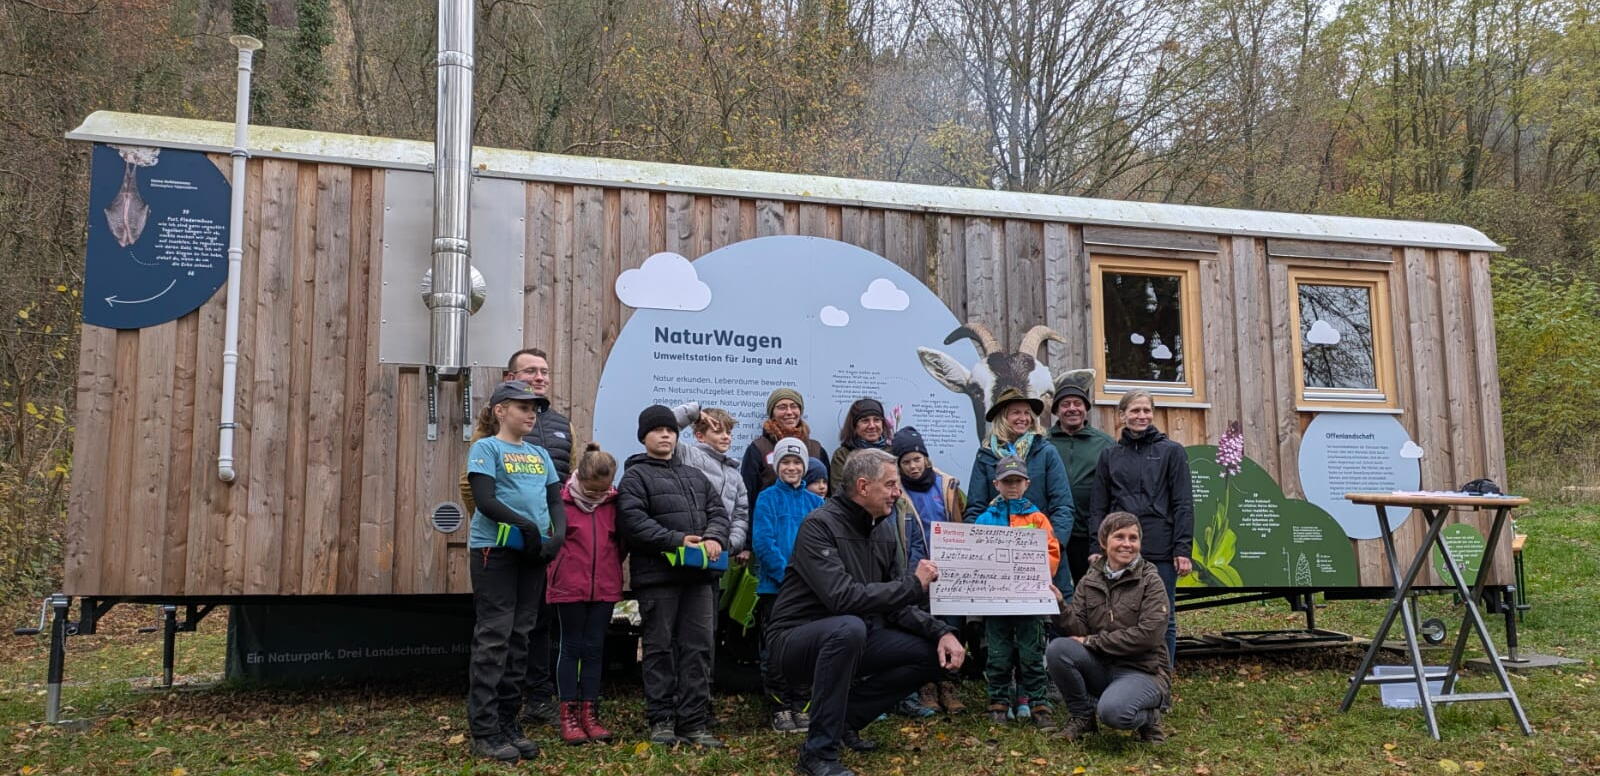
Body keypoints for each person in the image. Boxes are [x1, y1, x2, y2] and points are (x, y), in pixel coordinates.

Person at [766, 448, 967, 776]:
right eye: (890, 484)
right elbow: (841, 598)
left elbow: (895, 604)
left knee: (931, 654)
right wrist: (914, 585)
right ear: (862, 486)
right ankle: (817, 755)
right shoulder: (819, 525)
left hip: (853, 635)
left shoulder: (885, 528)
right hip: (794, 643)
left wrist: (941, 632)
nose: (897, 493)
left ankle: (844, 720)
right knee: (848, 627)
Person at [617, 405, 732, 748]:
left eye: (670, 430)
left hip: (699, 579)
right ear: (644, 437)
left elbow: (719, 514)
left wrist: (714, 537)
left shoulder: (695, 476)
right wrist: (676, 540)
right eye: (657, 430)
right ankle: (662, 720)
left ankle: (694, 721)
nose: (666, 434)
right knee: (660, 649)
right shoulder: (635, 477)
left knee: (698, 649)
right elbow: (633, 522)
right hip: (659, 579)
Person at [463, 381, 565, 762]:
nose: (531, 413)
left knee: (521, 637)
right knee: (495, 637)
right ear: (501, 410)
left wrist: (557, 538)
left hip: (533, 554)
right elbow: (485, 500)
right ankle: (485, 730)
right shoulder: (485, 448)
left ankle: (509, 723)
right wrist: (525, 526)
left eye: (535, 408)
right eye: (523, 406)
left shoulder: (540, 454)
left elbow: (556, 502)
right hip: (496, 553)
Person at [1088, 389, 1193, 670]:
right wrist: (1096, 547)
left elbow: (1183, 503)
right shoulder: (1109, 455)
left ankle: (1162, 680)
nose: (1141, 416)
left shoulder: (1171, 451)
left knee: (1163, 617)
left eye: (1146, 410)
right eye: (1134, 411)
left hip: (1160, 545)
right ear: (1122, 415)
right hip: (1119, 548)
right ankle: (1123, 674)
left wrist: (1182, 549)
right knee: (1118, 614)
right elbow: (1099, 506)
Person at [1046, 512, 1171, 744]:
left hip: (1142, 670)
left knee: (1113, 714)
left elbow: (1149, 636)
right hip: (1102, 666)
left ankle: (1149, 717)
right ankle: (1082, 717)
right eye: (1119, 537)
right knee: (1058, 649)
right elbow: (1079, 628)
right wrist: (1060, 607)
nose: (1127, 544)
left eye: (1133, 538)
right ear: (1104, 542)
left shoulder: (1151, 581)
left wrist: (1093, 642)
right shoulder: (1090, 580)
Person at [974, 455, 1062, 728]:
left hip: (1030, 602)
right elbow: (975, 558)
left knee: (1032, 653)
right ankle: (998, 702)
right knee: (997, 654)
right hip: (996, 603)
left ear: (1027, 483)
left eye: (1017, 481)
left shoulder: (1038, 520)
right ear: (996, 484)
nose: (1012, 486)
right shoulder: (984, 520)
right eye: (1006, 481)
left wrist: (1036, 568)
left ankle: (1038, 704)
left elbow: (1052, 554)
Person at [963, 386, 1075, 600]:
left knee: (1051, 618)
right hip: (996, 557)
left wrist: (1053, 546)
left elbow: (1063, 506)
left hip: (1042, 553)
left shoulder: (1045, 452)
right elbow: (975, 507)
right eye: (1016, 412)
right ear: (1003, 417)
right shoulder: (985, 456)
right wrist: (978, 549)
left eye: (1027, 413)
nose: (1023, 418)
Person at [546, 443, 623, 746]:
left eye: (601, 492)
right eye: (590, 492)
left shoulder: (613, 503)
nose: (595, 497)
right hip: (569, 585)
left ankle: (590, 713)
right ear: (579, 478)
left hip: (604, 585)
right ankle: (568, 714)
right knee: (571, 647)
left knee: (595, 648)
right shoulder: (560, 501)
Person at [891, 425, 969, 715]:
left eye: (917, 459)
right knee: (924, 623)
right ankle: (925, 683)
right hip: (916, 569)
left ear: (926, 457)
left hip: (950, 566)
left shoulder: (947, 484)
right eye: (906, 461)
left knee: (951, 624)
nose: (913, 466)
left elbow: (964, 514)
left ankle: (948, 683)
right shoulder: (896, 490)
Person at [752, 437, 824, 733]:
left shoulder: (816, 503)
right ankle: (781, 706)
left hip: (810, 591)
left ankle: (802, 704)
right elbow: (764, 542)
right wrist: (788, 577)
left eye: (797, 462)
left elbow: (824, 546)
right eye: (786, 462)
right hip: (777, 589)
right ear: (777, 465)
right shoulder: (767, 498)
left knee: (807, 649)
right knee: (776, 649)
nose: (792, 468)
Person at [1045, 370, 1116, 583]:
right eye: (1065, 404)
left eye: (1078, 403)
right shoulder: (1043, 442)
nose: (1072, 409)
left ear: (1086, 408)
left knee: (1091, 590)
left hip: (1090, 535)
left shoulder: (1106, 445)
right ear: (1056, 410)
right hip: (1053, 533)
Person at [671, 403, 752, 559]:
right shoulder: (686, 454)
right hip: (688, 545)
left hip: (717, 551)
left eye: (729, 432)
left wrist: (729, 543)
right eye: (718, 431)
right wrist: (694, 413)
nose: (726, 437)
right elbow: (665, 425)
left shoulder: (735, 475)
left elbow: (740, 515)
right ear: (700, 436)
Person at [741, 388, 829, 506]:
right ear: (772, 412)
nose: (789, 412)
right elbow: (749, 495)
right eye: (782, 407)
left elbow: (829, 493)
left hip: (812, 520)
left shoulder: (816, 449)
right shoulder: (758, 448)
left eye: (794, 406)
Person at [829, 397, 891, 494]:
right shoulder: (843, 455)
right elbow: (839, 493)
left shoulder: (892, 453)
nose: (872, 426)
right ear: (854, 426)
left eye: (877, 420)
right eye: (865, 421)